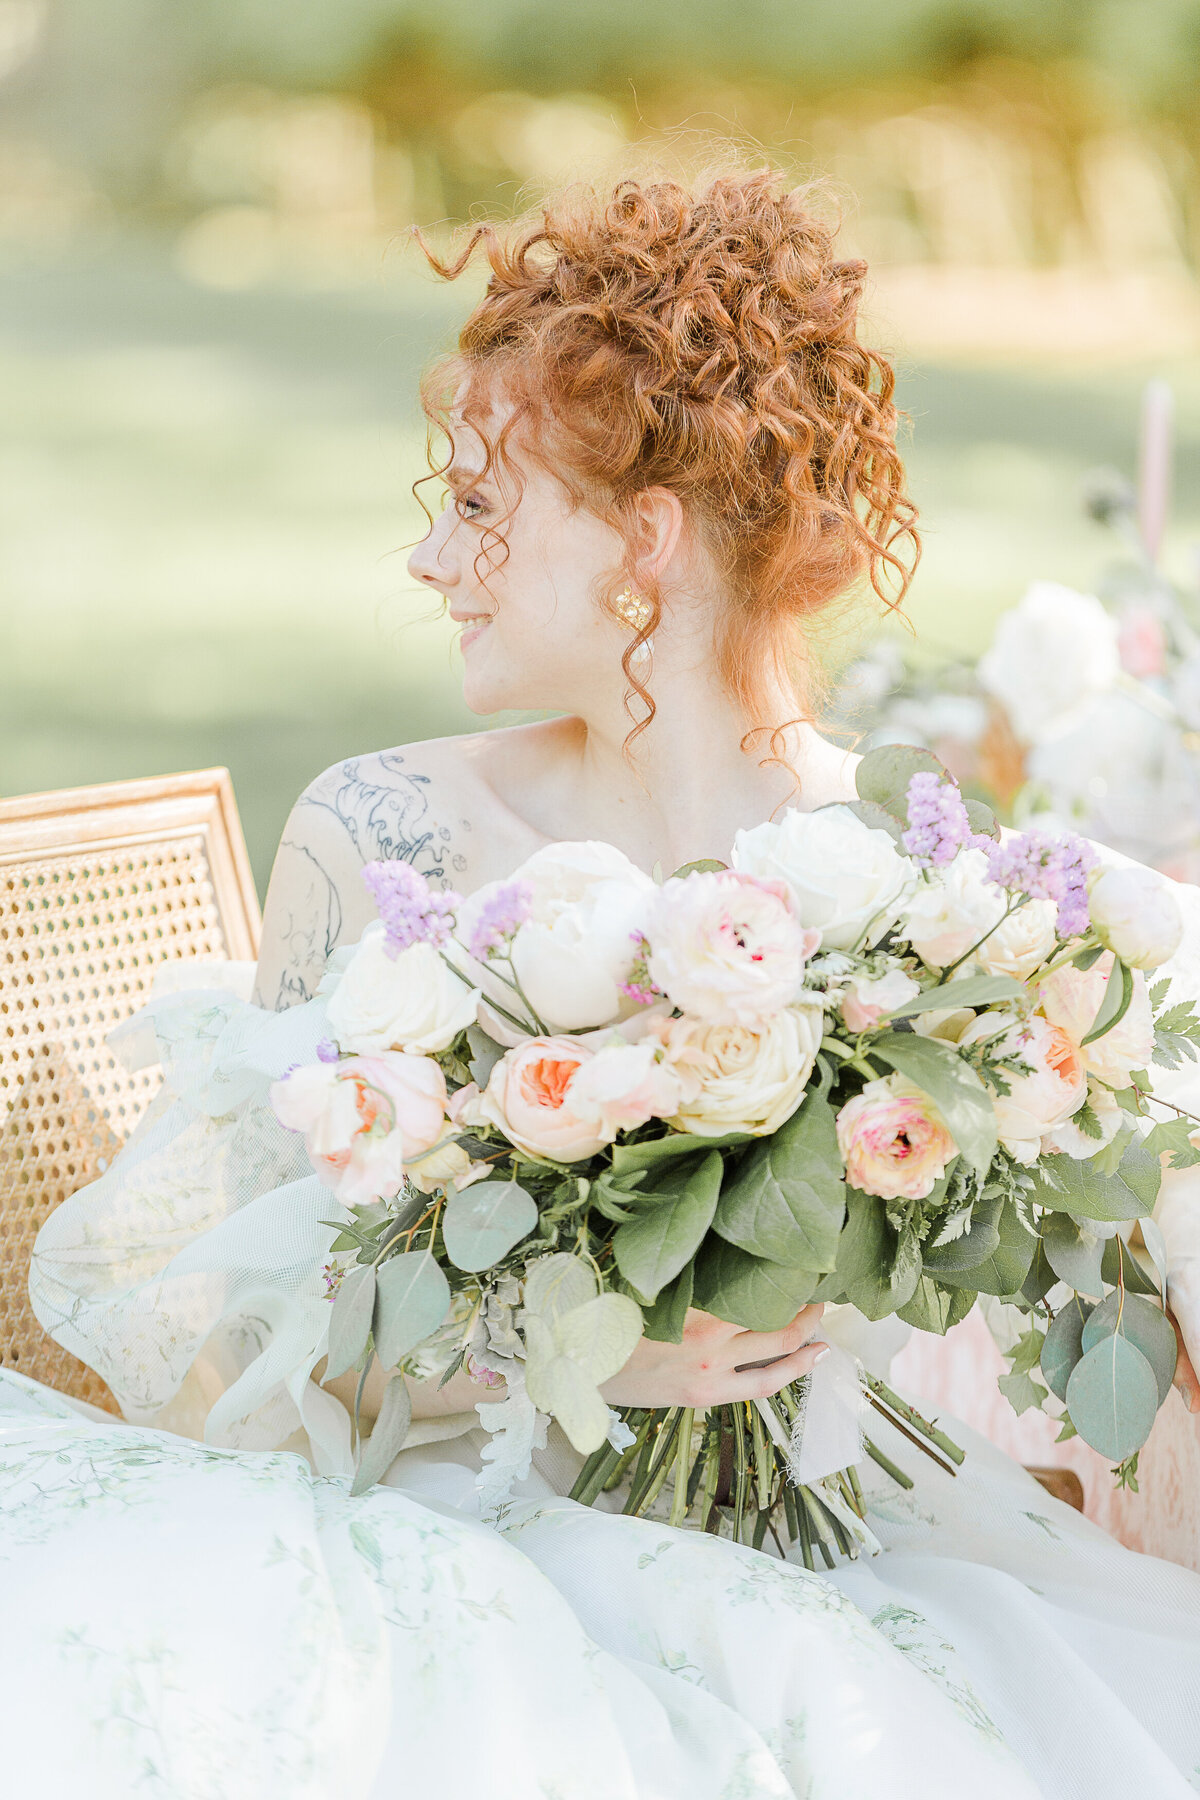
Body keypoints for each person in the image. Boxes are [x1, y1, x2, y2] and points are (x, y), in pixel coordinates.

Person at [9, 169, 1200, 1800]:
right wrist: (564, 1353)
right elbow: (250, 1373)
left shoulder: (920, 894)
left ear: (647, 535)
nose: (431, 557)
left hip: (835, 1548)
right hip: (458, 1552)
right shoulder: (380, 834)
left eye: (486, 508)